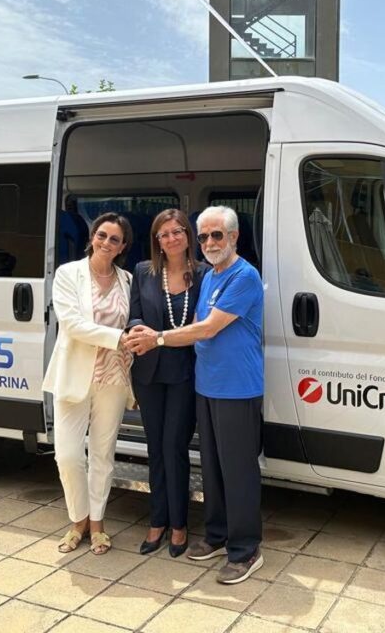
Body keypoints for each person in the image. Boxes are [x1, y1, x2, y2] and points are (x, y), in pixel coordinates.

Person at [127, 205, 264, 584]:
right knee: (214, 467)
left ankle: (246, 549)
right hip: (207, 385)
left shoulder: (244, 275)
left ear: (234, 237)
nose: (210, 242)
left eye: (217, 235)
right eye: (204, 236)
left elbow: (206, 328)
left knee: (238, 471)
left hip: (237, 387)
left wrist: (157, 338)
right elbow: (191, 323)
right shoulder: (214, 276)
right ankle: (217, 536)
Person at [44, 212, 135, 556]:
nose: (106, 242)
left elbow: (135, 321)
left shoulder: (128, 280)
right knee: (67, 455)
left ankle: (96, 524)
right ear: (92, 237)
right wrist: (119, 338)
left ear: (123, 246)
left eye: (115, 239)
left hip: (114, 377)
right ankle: (77, 519)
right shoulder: (68, 274)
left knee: (102, 455)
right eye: (102, 235)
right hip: (74, 375)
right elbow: (72, 324)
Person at [128, 209, 209, 557]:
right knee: (155, 448)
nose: (171, 238)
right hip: (148, 373)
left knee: (174, 447)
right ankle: (157, 520)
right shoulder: (143, 272)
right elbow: (134, 313)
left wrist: (162, 337)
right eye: (164, 234)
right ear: (157, 240)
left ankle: (179, 524)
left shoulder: (204, 274)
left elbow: (204, 324)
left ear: (188, 236)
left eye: (177, 231)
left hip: (184, 375)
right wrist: (137, 329)